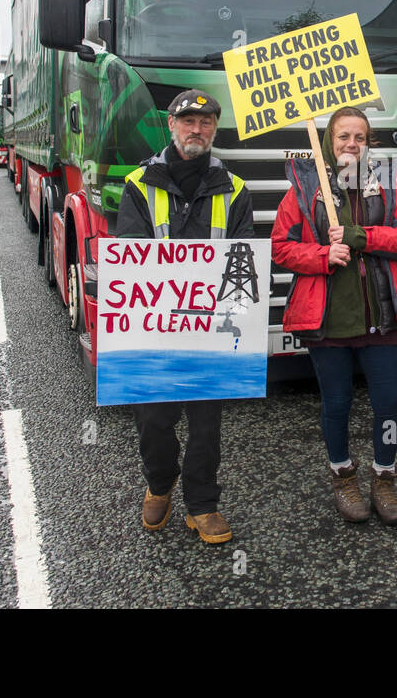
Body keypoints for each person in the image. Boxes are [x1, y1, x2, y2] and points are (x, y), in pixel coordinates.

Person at [115, 89, 253, 543]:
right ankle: (159, 483)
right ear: (171, 126)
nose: (198, 130)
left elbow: (241, 262)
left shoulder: (235, 191)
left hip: (209, 327)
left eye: (207, 122)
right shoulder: (138, 185)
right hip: (154, 327)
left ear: (214, 129)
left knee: (206, 423)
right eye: (189, 121)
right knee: (154, 420)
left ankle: (202, 503)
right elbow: (132, 260)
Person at [271, 107, 397, 526]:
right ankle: (342, 475)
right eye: (342, 137)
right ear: (328, 143)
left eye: (359, 137)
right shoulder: (304, 190)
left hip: (381, 317)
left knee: (388, 404)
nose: (351, 145)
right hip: (328, 321)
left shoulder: (386, 186)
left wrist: (359, 237)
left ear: (368, 143)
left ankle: (384, 478)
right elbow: (281, 246)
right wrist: (322, 254)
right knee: (336, 404)